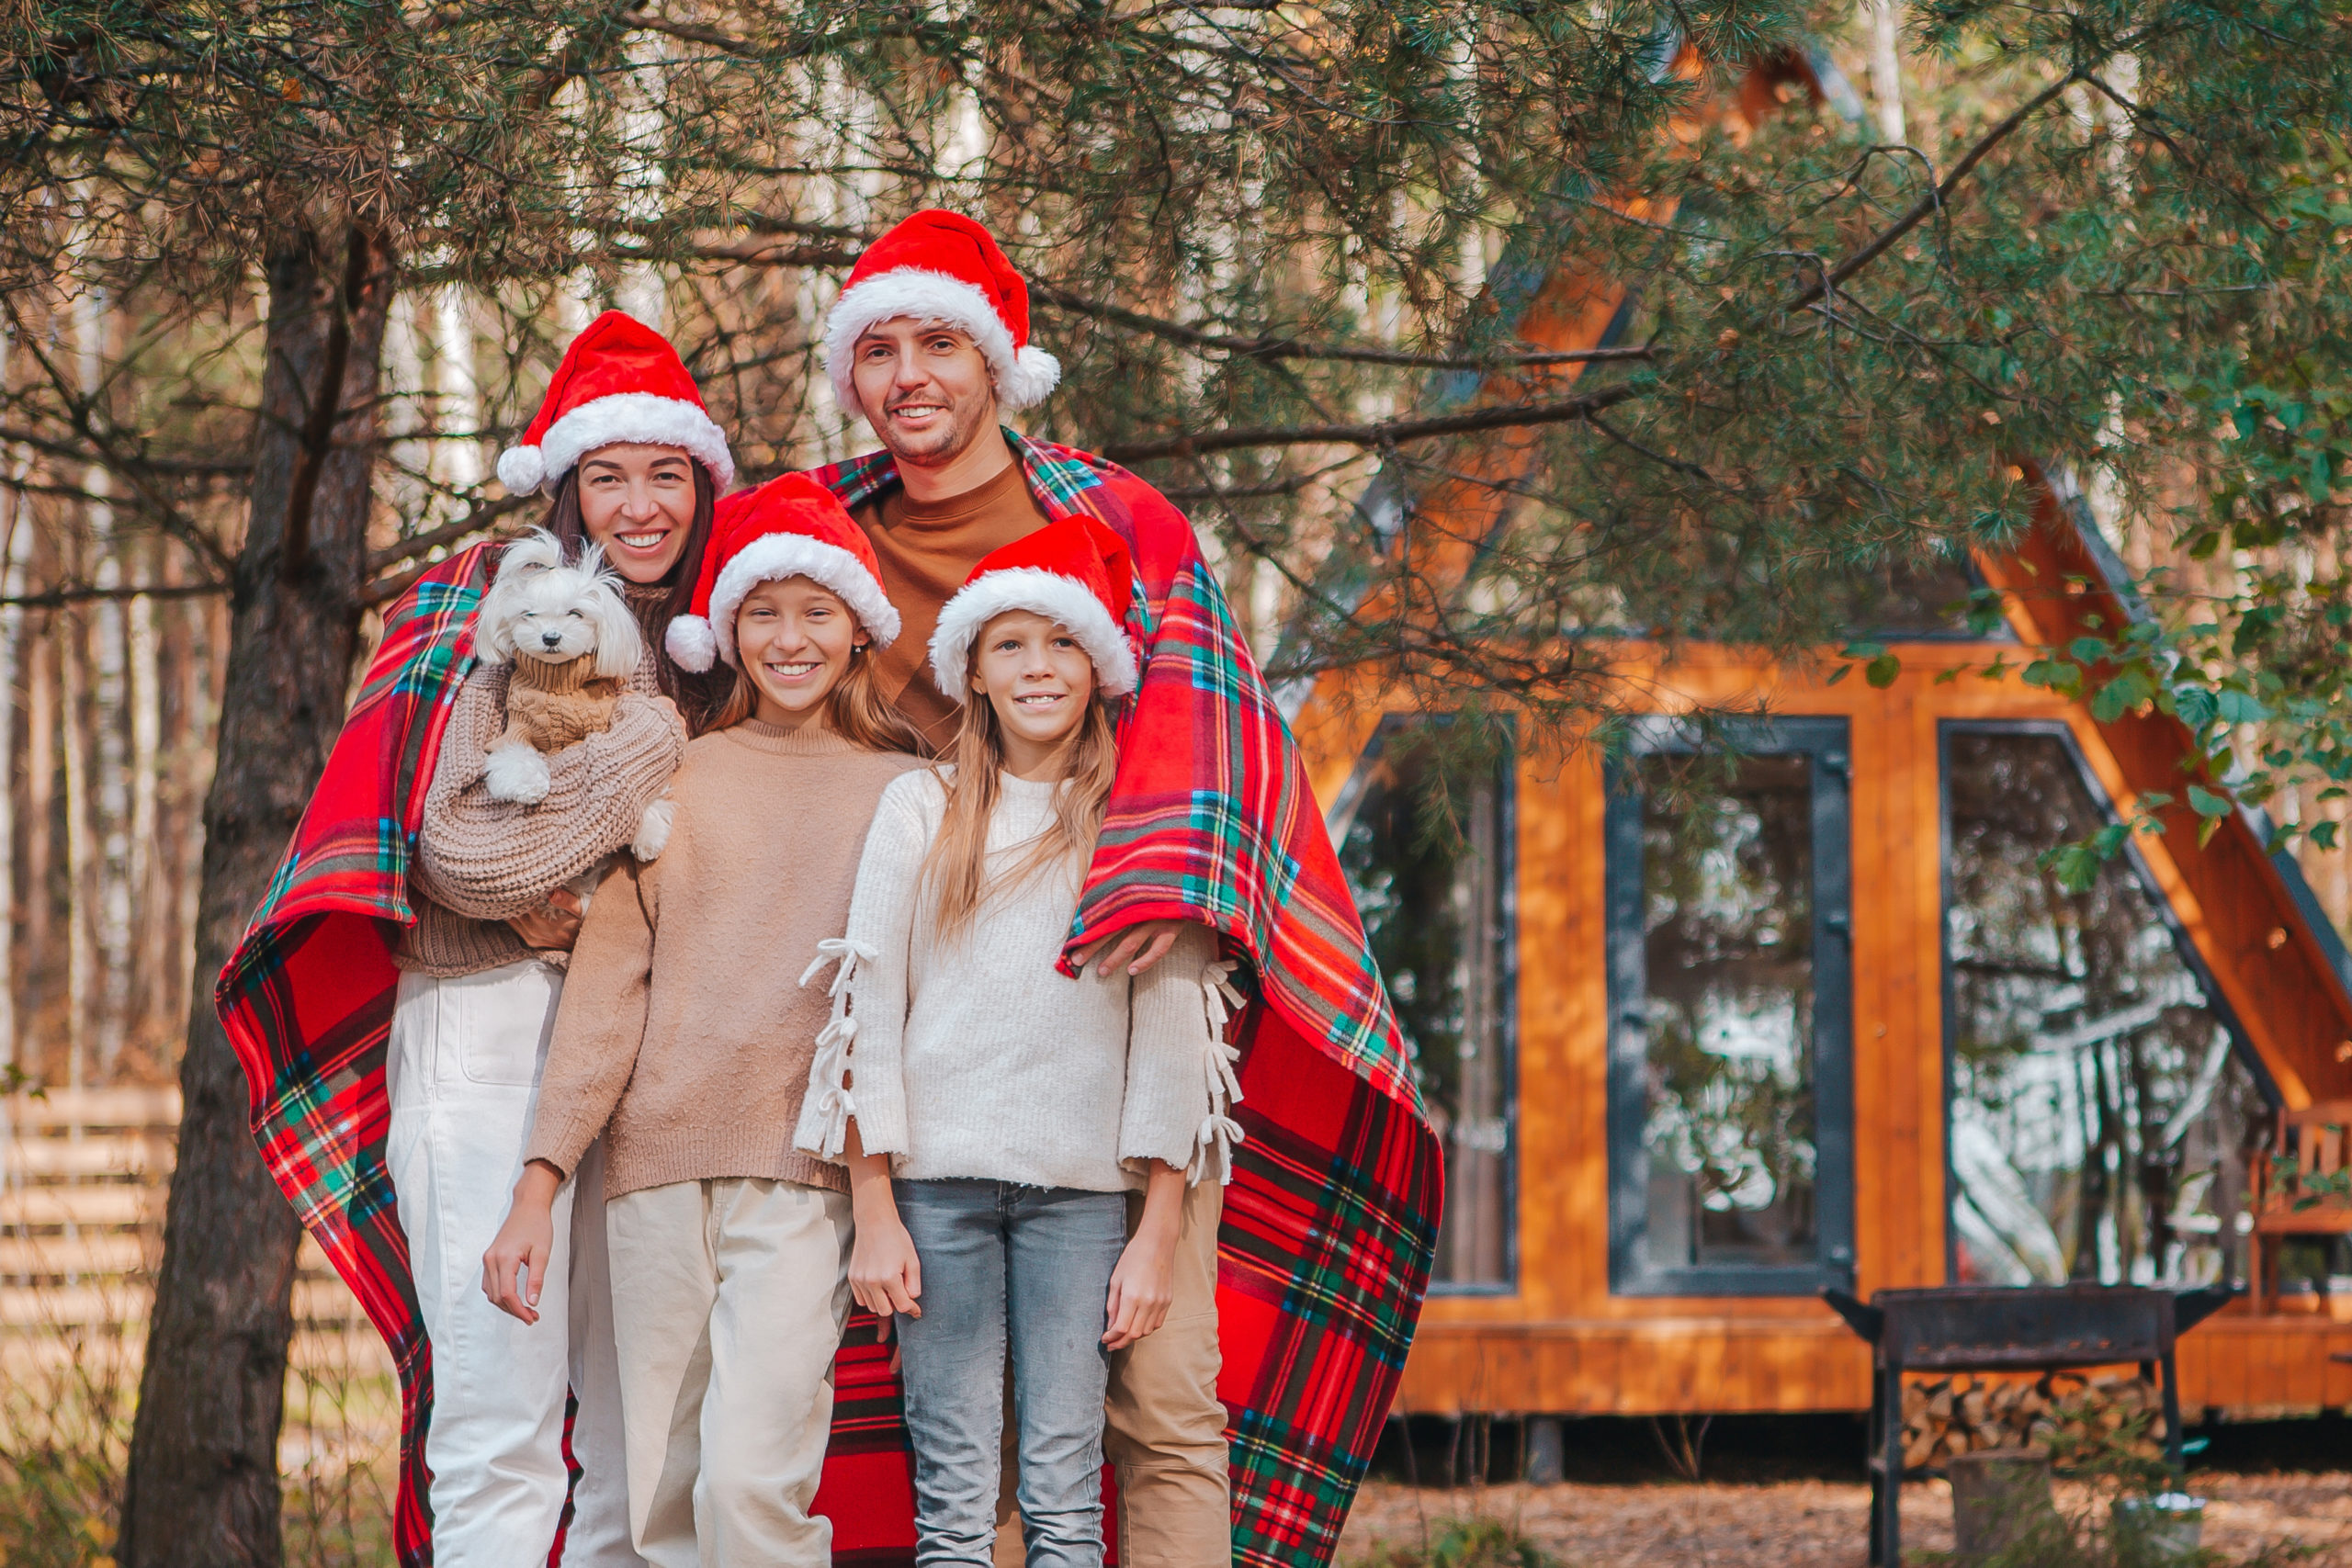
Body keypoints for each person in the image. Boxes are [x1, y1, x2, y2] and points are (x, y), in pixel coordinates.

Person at [804, 210, 1241, 1564]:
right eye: (878, 348)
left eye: (941, 340)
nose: (910, 375)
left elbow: (1214, 750)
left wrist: (1165, 881)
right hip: (922, 1067)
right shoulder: (829, 529)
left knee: (1160, 1409)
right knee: (957, 1452)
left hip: (1121, 1037)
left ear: (996, 362)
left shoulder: (1116, 517)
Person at [481, 474, 922, 1567]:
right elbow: (606, 992)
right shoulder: (677, 774)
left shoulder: (908, 791)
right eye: (762, 613)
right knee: (663, 1501)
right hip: (650, 1173)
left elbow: (910, 1004)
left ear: (858, 630)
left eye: (816, 612)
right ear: (725, 630)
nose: (789, 639)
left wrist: (882, 1197)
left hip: (803, 1174)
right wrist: (539, 1183)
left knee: (752, 1484)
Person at [389, 310, 732, 1568]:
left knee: (638, 1440)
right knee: (500, 1425)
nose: (641, 505)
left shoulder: (720, 646)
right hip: (488, 1029)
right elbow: (465, 857)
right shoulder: (492, 628)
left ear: (702, 482)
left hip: (636, 1054)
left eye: (666, 473)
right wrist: (638, 757)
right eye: (608, 476)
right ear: (569, 491)